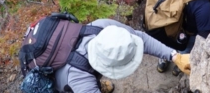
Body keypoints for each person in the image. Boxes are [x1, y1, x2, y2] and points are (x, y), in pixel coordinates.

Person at [53, 20, 190, 93]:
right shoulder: (81, 81)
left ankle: (99, 86)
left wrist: (174, 56)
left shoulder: (102, 27)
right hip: (60, 83)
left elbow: (140, 38)